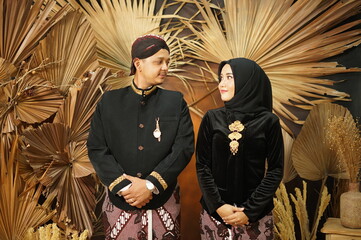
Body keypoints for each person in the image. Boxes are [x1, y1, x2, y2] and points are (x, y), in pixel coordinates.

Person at [87, 34, 194, 240]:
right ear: (138, 64)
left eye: (167, 62)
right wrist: (125, 187)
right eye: (158, 62)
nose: (165, 67)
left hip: (164, 198)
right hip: (119, 199)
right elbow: (97, 148)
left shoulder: (175, 102)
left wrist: (149, 185)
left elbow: (184, 147)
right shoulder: (109, 102)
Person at [196, 58, 284, 239]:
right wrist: (218, 206)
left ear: (247, 82)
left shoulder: (269, 121)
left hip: (255, 217)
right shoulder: (212, 118)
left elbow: (276, 170)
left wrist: (250, 211)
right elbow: (202, 166)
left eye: (229, 77)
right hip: (215, 216)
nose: (222, 84)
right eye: (221, 78)